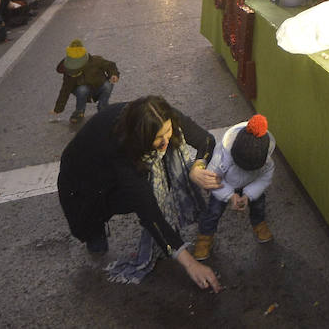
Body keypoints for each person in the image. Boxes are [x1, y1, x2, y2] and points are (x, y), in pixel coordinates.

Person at [56, 94, 221, 290]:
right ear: (141, 136)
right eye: (158, 138)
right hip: (83, 181)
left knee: (155, 185)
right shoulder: (122, 147)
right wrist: (191, 264)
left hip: (114, 167)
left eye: (167, 131)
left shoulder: (161, 115)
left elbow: (207, 140)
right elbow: (148, 211)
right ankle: (94, 233)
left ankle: (167, 235)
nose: (165, 140)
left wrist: (198, 167)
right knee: (92, 229)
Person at [192, 114, 276, 260]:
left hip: (251, 184)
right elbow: (213, 179)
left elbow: (264, 179)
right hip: (225, 184)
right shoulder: (222, 154)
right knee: (213, 211)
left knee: (258, 205)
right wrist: (230, 195)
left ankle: (259, 223)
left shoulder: (266, 160)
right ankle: (205, 236)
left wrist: (249, 195)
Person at [53, 39, 119, 125]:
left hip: (99, 86)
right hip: (83, 90)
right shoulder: (69, 72)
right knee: (82, 89)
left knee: (108, 84)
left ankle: (103, 107)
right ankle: (79, 111)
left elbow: (110, 65)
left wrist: (114, 74)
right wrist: (58, 108)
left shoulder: (96, 61)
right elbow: (65, 90)